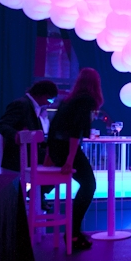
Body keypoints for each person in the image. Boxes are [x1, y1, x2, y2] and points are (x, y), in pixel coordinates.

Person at [45, 68, 102, 251]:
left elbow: (54, 127)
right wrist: (70, 159)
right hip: (66, 149)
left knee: (87, 184)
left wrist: (50, 155)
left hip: (57, 148)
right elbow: (76, 131)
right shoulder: (86, 100)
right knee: (89, 185)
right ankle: (73, 233)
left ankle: (73, 231)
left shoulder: (69, 99)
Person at [0, 80, 59, 173]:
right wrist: (16, 135)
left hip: (25, 161)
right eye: (50, 100)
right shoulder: (22, 104)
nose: (50, 104)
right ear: (41, 94)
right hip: (17, 161)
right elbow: (2, 125)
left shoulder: (32, 106)